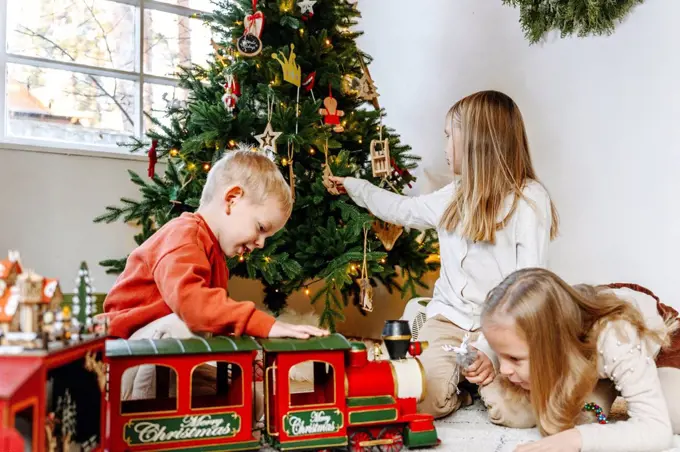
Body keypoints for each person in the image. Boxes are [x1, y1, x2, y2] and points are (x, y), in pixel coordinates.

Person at [330, 90, 559, 420]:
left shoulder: (529, 201)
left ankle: (478, 381)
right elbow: (402, 210)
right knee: (422, 400)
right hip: (448, 321)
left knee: (515, 414)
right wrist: (355, 186)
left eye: (450, 136)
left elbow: (530, 292)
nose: (444, 146)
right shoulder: (454, 194)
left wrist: (487, 352)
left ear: (477, 140)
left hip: (500, 331)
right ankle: (463, 393)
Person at [103, 148, 328, 416]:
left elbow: (214, 320)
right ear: (232, 199)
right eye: (261, 228)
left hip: (160, 360)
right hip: (119, 363)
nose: (260, 243)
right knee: (184, 323)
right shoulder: (183, 235)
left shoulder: (214, 254)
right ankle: (147, 422)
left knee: (248, 401)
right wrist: (265, 325)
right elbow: (193, 306)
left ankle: (216, 418)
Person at [481, 268, 680, 452]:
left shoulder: (617, 335)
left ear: (555, 346)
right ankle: (603, 385)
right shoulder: (540, 328)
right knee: (522, 412)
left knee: (673, 414)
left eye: (515, 359)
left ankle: (615, 382)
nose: (504, 369)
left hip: (661, 341)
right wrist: (484, 354)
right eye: (500, 356)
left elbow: (656, 430)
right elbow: (504, 335)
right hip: (587, 355)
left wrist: (578, 439)